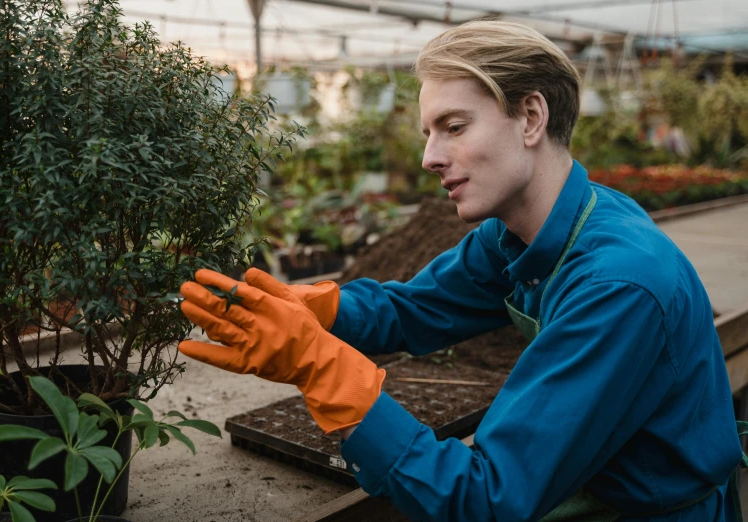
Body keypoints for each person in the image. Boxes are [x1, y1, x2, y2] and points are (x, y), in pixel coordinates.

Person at [176, 21, 745, 522]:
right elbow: (416, 308)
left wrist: (325, 373)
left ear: (530, 117)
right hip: (597, 481)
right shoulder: (522, 232)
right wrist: (321, 309)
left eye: (452, 126)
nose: (428, 157)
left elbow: (489, 499)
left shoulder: (616, 285)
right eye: (429, 131)